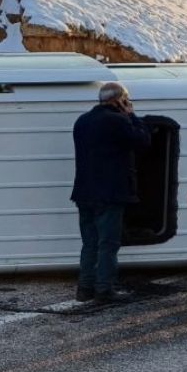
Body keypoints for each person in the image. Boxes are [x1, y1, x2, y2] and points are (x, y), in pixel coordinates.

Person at [71, 82, 151, 304]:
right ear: (120, 100)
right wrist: (132, 115)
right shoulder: (117, 120)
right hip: (109, 194)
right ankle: (104, 290)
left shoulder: (82, 121)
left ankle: (84, 289)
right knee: (108, 244)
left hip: (84, 193)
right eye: (126, 100)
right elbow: (143, 141)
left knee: (90, 243)